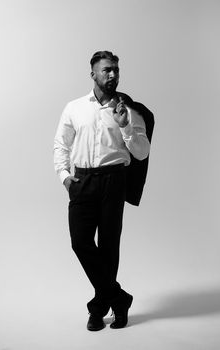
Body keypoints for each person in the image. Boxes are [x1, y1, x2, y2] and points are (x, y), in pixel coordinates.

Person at [54, 51, 152, 331]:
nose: (113, 75)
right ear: (93, 74)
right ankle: (119, 299)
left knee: (109, 248)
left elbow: (142, 153)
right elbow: (61, 144)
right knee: (80, 242)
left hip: (113, 181)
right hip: (82, 181)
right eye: (107, 70)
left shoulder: (128, 111)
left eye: (116, 71)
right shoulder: (74, 107)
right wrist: (64, 176)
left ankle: (99, 308)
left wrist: (126, 128)